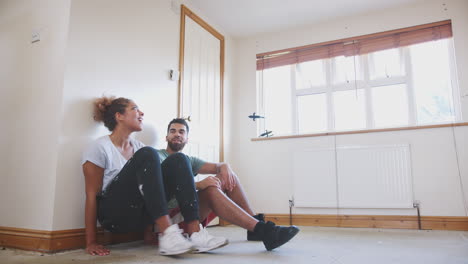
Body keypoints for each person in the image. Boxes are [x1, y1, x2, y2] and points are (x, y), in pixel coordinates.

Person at [82, 96, 228, 256]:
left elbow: (152, 189)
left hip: (139, 215)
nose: (142, 113)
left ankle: (196, 234)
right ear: (119, 116)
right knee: (148, 153)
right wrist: (91, 242)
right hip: (114, 216)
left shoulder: (139, 148)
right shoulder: (100, 147)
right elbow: (91, 195)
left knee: (179, 159)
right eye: (135, 109)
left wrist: (148, 232)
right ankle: (169, 235)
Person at [159, 118, 299, 251]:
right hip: (172, 217)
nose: (177, 134)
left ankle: (255, 226)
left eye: (181, 132)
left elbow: (219, 167)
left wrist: (225, 166)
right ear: (166, 137)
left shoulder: (189, 160)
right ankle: (262, 230)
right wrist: (199, 184)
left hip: (190, 211)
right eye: (173, 131)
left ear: (187, 139)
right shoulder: (157, 157)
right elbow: (159, 186)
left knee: (229, 177)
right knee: (210, 190)